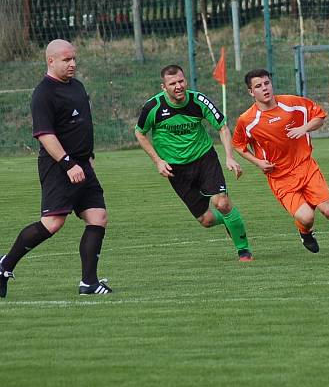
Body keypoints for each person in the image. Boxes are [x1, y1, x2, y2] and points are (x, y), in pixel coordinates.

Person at [1, 39, 111, 297]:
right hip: (59, 166)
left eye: (74, 59)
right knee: (52, 223)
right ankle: (4, 266)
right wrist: (68, 164)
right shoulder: (44, 93)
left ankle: (89, 283)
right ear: (51, 61)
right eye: (66, 60)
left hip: (82, 164)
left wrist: (87, 158)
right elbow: (45, 135)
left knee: (98, 217)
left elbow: (81, 125)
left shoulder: (77, 86)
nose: (72, 64)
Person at [232, 69, 329, 253]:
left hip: (306, 167)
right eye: (258, 86)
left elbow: (319, 116)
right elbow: (238, 144)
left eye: (267, 83)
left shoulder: (292, 103)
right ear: (250, 92)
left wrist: (304, 128)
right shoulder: (247, 120)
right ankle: (305, 232)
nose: (265, 88)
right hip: (280, 177)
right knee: (307, 217)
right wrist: (258, 162)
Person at [134, 65, 253, 262]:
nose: (178, 86)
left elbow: (222, 127)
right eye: (173, 83)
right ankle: (230, 219)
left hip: (204, 159)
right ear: (164, 87)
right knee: (205, 220)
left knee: (221, 202)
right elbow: (139, 132)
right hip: (176, 169)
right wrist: (158, 161)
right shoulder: (152, 107)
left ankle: (244, 251)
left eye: (181, 81)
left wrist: (229, 157)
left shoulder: (198, 100)